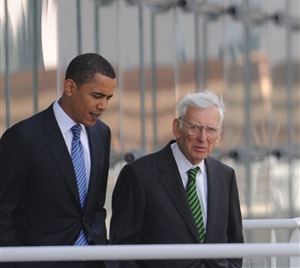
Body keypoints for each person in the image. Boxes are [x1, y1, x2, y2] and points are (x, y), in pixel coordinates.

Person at [0, 53, 117, 268]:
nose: (103, 106)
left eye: (108, 98)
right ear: (70, 87)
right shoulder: (23, 138)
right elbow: (3, 211)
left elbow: (95, 207)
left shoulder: (101, 134)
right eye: (97, 95)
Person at [110, 90, 244, 268]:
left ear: (219, 135)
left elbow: (235, 243)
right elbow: (121, 249)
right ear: (177, 128)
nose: (203, 138)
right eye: (195, 127)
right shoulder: (139, 175)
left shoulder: (225, 176)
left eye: (211, 130)